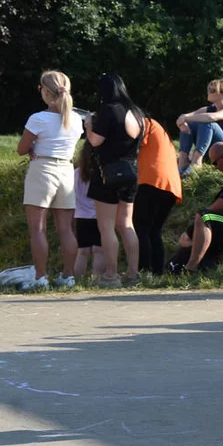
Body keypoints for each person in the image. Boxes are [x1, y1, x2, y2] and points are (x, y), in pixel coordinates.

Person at [17, 70, 82, 290]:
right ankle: (68, 276)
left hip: (42, 169)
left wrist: (33, 147)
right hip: (66, 170)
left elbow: (21, 149)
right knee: (66, 229)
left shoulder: (38, 118)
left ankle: (41, 277)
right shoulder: (76, 119)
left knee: (38, 229)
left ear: (45, 91)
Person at [85, 73, 144, 289]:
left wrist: (89, 124)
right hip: (131, 172)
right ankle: (133, 273)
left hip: (107, 174)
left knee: (107, 226)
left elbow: (95, 141)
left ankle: (111, 275)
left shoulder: (110, 110)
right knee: (126, 224)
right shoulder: (137, 112)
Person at [167, 144, 223, 274]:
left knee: (204, 216)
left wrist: (192, 229)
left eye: (215, 163)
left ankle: (191, 268)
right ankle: (175, 269)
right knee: (179, 258)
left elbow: (221, 207)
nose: (216, 168)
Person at [133, 118, 182, 275]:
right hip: (171, 184)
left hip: (153, 180)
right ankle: (157, 273)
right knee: (153, 231)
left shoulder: (142, 122)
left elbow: (132, 144)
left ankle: (144, 271)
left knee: (140, 228)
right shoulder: (157, 127)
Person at [176, 79, 223, 174]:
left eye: (212, 90)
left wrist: (185, 119)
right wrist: (183, 121)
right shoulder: (208, 109)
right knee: (191, 123)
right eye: (209, 89)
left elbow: (212, 117)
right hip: (212, 150)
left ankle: (196, 162)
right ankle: (183, 161)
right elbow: (183, 117)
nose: (208, 92)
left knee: (208, 122)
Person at [73, 149, 105, 280]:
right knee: (99, 250)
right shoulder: (101, 175)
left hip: (80, 215)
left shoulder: (76, 173)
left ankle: (77, 279)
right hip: (99, 216)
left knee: (82, 251)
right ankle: (96, 278)